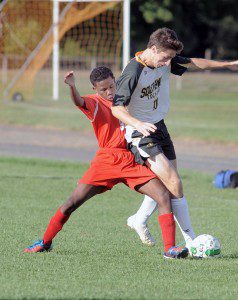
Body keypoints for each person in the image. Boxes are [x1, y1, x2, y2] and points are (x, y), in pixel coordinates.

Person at [24, 66, 188, 259]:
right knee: (71, 203)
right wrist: (72, 87)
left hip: (130, 160)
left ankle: (170, 249)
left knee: (162, 194)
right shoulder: (94, 103)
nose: (109, 92)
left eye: (112, 86)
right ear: (95, 89)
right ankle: (45, 241)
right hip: (106, 161)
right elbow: (78, 101)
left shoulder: (127, 98)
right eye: (104, 89)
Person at [111, 27, 238, 248]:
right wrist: (139, 124)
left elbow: (195, 62)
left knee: (169, 182)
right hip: (139, 132)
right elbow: (116, 108)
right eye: (165, 57)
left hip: (159, 126)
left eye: (171, 58)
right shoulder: (133, 71)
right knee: (174, 182)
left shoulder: (164, 59)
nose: (168, 62)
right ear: (152, 49)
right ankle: (190, 241)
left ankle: (139, 219)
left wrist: (228, 64)